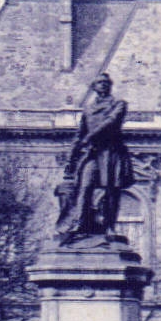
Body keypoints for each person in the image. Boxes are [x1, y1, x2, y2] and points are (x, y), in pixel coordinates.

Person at [55, 73, 135, 245]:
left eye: (106, 82)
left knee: (110, 190)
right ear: (94, 87)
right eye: (99, 83)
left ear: (110, 85)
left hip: (110, 152)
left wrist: (90, 136)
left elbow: (111, 122)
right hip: (92, 154)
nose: (103, 85)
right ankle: (80, 223)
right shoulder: (88, 109)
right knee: (85, 187)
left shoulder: (119, 104)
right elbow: (79, 134)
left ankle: (109, 226)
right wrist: (71, 156)